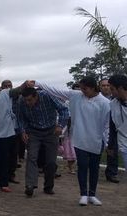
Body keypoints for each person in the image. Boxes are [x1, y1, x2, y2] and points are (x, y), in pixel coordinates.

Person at [34, 77, 110, 206]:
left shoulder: (104, 102)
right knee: (82, 166)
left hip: (96, 140)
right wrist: (37, 83)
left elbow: (107, 125)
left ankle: (92, 194)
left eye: (85, 88)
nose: (82, 91)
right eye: (81, 88)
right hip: (80, 139)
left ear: (92, 87)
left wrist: (107, 142)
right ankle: (83, 194)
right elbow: (56, 91)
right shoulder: (76, 96)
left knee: (94, 168)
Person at [17, 87, 69, 197]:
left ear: (36, 96)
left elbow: (64, 110)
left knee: (51, 161)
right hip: (33, 131)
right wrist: (23, 131)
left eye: (30, 100)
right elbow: (20, 118)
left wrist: (60, 125)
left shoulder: (47, 96)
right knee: (32, 157)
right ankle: (30, 185)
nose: (27, 102)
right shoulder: (21, 101)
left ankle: (48, 186)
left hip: (51, 131)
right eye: (25, 100)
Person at [1, 80, 21, 184]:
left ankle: (11, 175)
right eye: (5, 86)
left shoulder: (17, 99)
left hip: (15, 130)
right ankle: (2, 174)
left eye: (10, 86)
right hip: (2, 131)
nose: (8, 88)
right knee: (3, 154)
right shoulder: (0, 99)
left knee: (14, 154)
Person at [100, 78, 119, 183]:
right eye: (103, 85)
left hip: (112, 128)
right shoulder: (95, 98)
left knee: (112, 150)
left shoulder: (115, 99)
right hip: (98, 128)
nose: (106, 87)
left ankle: (111, 173)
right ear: (99, 87)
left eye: (107, 85)